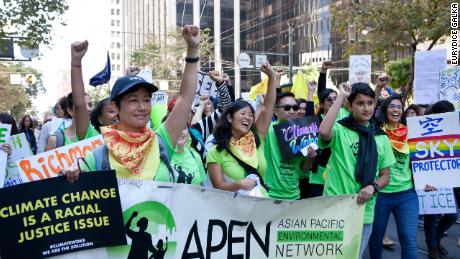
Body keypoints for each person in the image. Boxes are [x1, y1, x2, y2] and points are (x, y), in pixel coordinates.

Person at [60, 25, 200, 183]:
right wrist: (71, 172)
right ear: (116, 107)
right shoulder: (98, 157)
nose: (142, 107)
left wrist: (192, 49)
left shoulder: (161, 141)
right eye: (133, 100)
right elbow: (79, 106)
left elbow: (186, 98)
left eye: (147, 100)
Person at [318, 83, 395, 259]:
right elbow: (323, 131)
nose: (366, 108)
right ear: (350, 105)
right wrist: (341, 95)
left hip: (363, 211)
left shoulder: (381, 137)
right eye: (360, 103)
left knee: (354, 256)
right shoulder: (340, 129)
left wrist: (373, 187)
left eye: (370, 102)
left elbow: (386, 176)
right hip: (334, 206)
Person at [207, 63, 276, 197]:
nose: (247, 118)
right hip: (235, 211)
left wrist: (272, 77)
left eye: (251, 115)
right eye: (242, 114)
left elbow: (268, 106)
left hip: (263, 206)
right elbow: (218, 186)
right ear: (230, 118)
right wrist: (238, 185)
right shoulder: (216, 151)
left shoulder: (258, 139)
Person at [369, 94, 418, 259]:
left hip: (407, 194)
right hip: (380, 194)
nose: (396, 109)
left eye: (399, 106)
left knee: (409, 241)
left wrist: (428, 180)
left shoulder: (412, 133)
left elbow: (424, 159)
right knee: (375, 238)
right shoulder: (376, 132)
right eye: (392, 106)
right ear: (385, 110)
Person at [264, 90, 317, 200]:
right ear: (275, 111)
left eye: (295, 107)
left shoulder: (303, 133)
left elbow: (303, 170)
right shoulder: (266, 130)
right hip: (270, 196)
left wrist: (310, 158)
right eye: (287, 108)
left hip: (294, 196)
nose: (292, 111)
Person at [422, 100, 458, 259]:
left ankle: (436, 239)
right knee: (432, 216)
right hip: (429, 180)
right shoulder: (423, 129)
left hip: (450, 178)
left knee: (452, 216)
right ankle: (431, 246)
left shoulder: (455, 129)